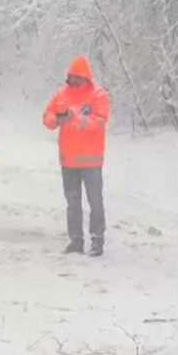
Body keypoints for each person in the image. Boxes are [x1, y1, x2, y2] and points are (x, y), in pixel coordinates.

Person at [42, 56, 111, 257]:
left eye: (78, 78)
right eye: (71, 78)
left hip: (91, 160)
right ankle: (76, 240)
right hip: (68, 159)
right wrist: (57, 119)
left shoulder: (98, 95)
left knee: (95, 200)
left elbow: (100, 121)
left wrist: (77, 119)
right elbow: (47, 116)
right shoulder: (62, 95)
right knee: (72, 202)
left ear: (86, 78)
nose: (74, 81)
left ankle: (97, 240)